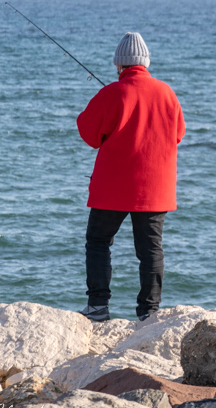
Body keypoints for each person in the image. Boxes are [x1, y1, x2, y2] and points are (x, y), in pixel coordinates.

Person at [76, 32, 185, 322]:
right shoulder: (167, 93)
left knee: (98, 241)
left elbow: (89, 133)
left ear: (119, 65)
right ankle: (149, 313)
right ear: (145, 63)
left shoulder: (111, 93)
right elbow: (178, 135)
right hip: (154, 188)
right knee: (150, 250)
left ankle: (98, 307)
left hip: (113, 187)